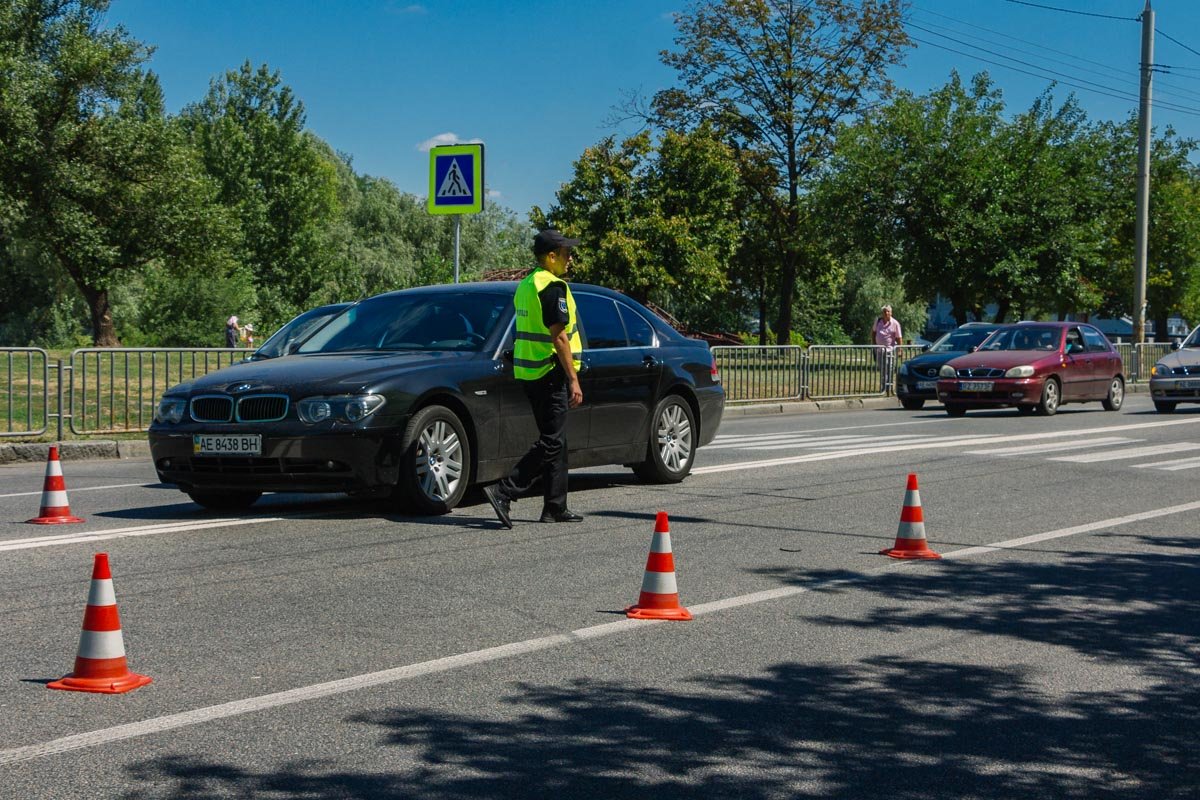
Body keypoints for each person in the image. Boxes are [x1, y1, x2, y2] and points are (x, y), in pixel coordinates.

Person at [483, 229, 585, 528]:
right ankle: (504, 491)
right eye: (567, 253)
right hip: (549, 370)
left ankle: (555, 506)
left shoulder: (526, 285)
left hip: (530, 371)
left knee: (557, 439)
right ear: (551, 257)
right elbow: (560, 337)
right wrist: (574, 379)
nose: (571, 259)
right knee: (552, 441)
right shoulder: (552, 287)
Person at [873, 304, 902, 393]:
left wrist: (900, 350)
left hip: (890, 350)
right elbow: (873, 332)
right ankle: (883, 388)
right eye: (884, 311)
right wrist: (874, 344)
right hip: (879, 350)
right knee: (882, 369)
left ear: (891, 313)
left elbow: (899, 338)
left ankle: (890, 387)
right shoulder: (878, 321)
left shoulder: (895, 323)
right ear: (882, 313)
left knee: (890, 369)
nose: (886, 313)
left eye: (888, 311)